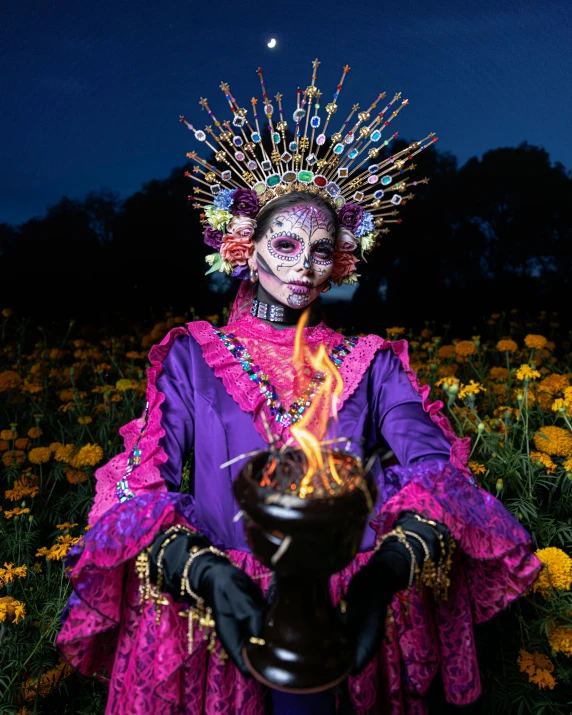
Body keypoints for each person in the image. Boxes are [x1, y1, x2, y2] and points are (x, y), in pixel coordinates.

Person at [57, 62, 542, 714]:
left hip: (348, 614)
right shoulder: (192, 356)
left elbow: (436, 469)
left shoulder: (369, 362)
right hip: (219, 615)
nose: (303, 265)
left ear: (339, 259)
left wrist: (383, 576)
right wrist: (206, 573)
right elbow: (137, 484)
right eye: (284, 243)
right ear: (244, 247)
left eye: (320, 249)